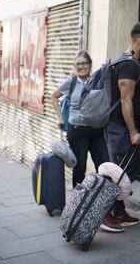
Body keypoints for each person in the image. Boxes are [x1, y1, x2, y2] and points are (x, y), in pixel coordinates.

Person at [100, 21, 140, 232]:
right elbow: (126, 100)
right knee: (119, 174)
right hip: (120, 129)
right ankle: (106, 215)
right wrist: (133, 132)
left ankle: (119, 213)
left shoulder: (131, 64)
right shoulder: (128, 65)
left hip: (120, 128)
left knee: (125, 171)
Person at [51, 50, 109, 187]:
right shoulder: (71, 81)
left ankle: (102, 201)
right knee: (79, 167)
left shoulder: (97, 80)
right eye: (78, 64)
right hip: (77, 130)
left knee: (104, 165)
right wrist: (60, 117)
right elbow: (53, 96)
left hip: (96, 130)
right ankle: (78, 204)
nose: (81, 67)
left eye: (84, 63)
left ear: (90, 64)